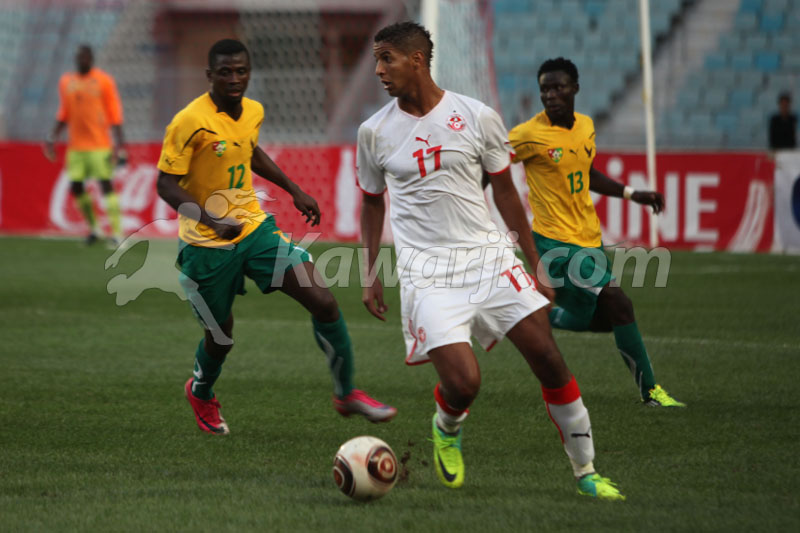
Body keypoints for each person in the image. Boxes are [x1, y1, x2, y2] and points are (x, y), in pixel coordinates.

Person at [358, 22, 624, 500]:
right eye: (377, 59)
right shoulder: (373, 132)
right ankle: (447, 426)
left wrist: (535, 262)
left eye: (386, 58)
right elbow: (372, 203)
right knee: (464, 383)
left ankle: (586, 471)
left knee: (549, 360)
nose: (378, 70)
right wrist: (369, 272)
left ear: (416, 60)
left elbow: (504, 192)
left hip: (490, 260)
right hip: (428, 273)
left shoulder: (477, 116)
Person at [155, 38, 396, 436]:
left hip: (254, 230)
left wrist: (293, 189)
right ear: (210, 75)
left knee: (323, 300)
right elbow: (165, 184)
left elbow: (250, 151)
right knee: (221, 337)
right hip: (205, 246)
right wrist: (212, 221)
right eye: (226, 72)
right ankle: (200, 391)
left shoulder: (253, 111)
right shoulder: (188, 121)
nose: (235, 79)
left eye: (241, 71)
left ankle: (346, 393)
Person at [508, 57, 685, 408]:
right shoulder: (528, 134)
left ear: (575, 88)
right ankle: (651, 392)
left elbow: (586, 173)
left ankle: (539, 315)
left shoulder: (586, 126)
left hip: (589, 240)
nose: (550, 95)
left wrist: (632, 193)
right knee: (620, 303)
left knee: (607, 320)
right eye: (545, 89)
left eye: (558, 87)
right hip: (555, 243)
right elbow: (491, 164)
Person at [44, 44, 126, 246]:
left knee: (105, 186)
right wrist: (52, 136)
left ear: (92, 59)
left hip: (100, 145)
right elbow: (64, 112)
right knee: (76, 187)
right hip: (76, 147)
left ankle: (118, 234)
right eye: (80, 57)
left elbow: (115, 114)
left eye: (86, 57)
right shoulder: (66, 82)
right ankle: (95, 229)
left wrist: (121, 146)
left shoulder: (104, 81)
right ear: (76, 59)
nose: (82, 60)